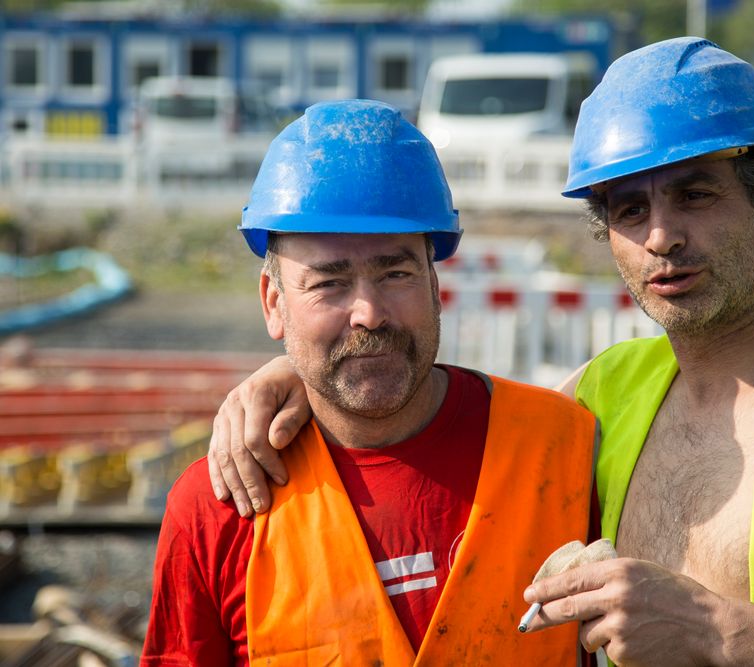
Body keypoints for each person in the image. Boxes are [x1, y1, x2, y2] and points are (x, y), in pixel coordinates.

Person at [208, 39, 754, 665]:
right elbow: (432, 403)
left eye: (695, 193)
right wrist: (299, 374)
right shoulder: (599, 398)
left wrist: (722, 636)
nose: (661, 234)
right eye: (630, 208)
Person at [141, 100, 598, 666]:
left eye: (396, 273)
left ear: (434, 286)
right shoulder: (217, 509)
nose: (369, 313)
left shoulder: (564, 448)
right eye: (329, 283)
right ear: (274, 303)